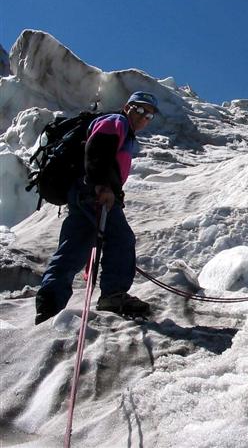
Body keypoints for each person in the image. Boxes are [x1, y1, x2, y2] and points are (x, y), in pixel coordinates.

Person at [34, 91, 159, 324]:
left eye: (149, 115)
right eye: (140, 109)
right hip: (93, 192)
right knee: (121, 239)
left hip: (85, 192)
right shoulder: (116, 121)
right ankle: (113, 295)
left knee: (74, 247)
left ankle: (49, 302)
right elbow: (98, 149)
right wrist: (102, 185)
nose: (143, 117)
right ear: (127, 107)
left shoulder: (124, 129)